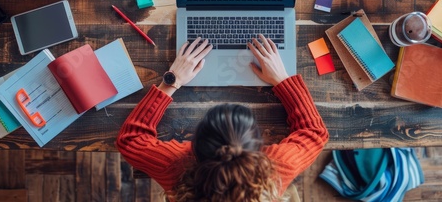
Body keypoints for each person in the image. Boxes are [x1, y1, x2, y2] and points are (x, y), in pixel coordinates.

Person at [116, 35, 329, 201]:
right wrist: (282, 80)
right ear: (258, 147)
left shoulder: (177, 166)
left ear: (194, 145)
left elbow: (131, 139)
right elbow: (314, 132)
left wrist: (172, 81)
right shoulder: (274, 170)